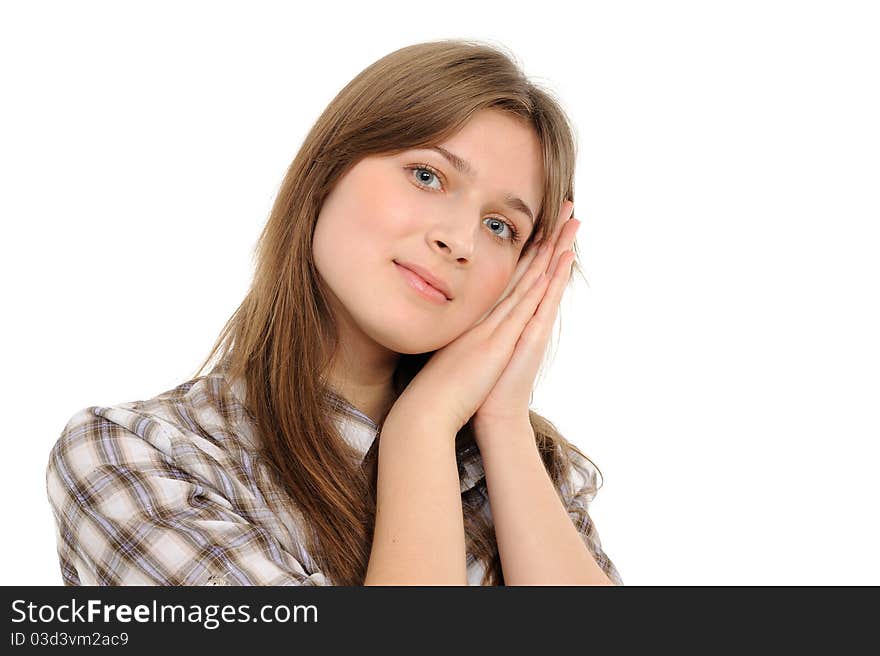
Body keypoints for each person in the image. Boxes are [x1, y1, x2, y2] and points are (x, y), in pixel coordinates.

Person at [45, 39, 623, 586]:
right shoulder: (141, 455)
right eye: (428, 176)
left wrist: (500, 422)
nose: (460, 240)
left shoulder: (529, 469)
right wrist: (419, 430)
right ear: (326, 172)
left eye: (501, 227)